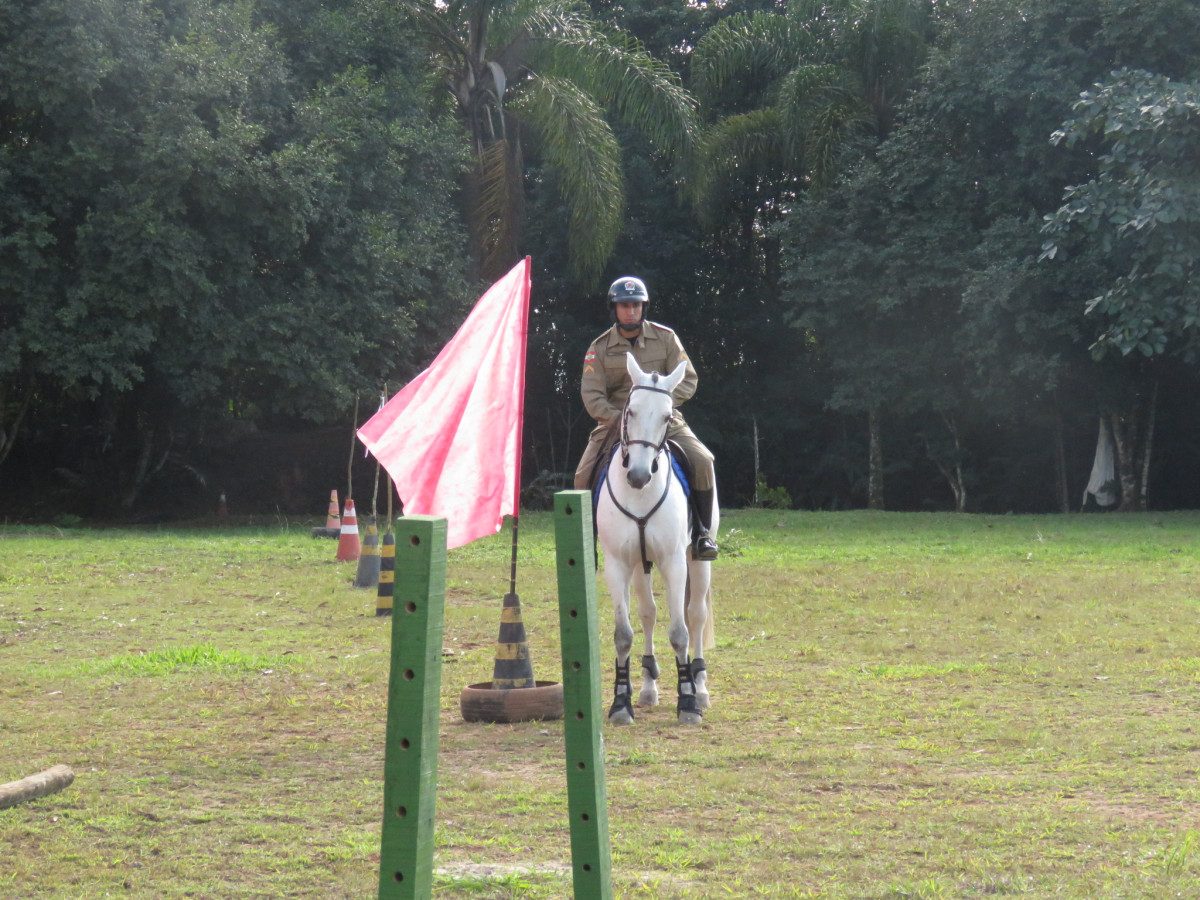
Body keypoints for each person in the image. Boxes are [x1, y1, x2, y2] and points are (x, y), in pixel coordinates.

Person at [574, 276, 719, 560]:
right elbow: (592, 396)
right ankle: (586, 543)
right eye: (624, 305)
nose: (631, 310)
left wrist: (658, 408)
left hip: (662, 421)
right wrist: (621, 419)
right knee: (582, 475)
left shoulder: (666, 339)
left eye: (636, 305)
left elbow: (688, 379)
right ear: (614, 308)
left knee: (703, 460)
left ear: (644, 307)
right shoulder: (599, 348)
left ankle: (702, 534)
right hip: (616, 423)